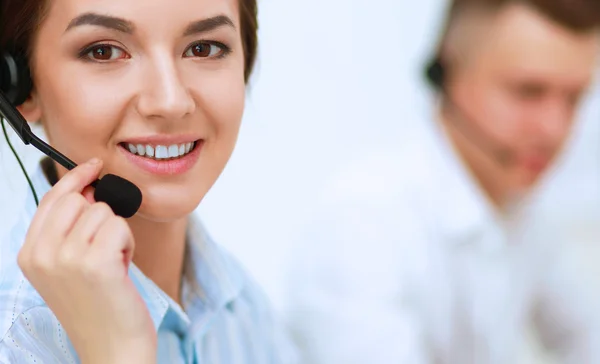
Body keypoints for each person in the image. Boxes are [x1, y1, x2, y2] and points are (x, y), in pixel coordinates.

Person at [286, 0, 600, 363]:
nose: (555, 129)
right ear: (445, 73)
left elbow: (587, 333)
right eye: (528, 92)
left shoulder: (521, 209)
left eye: (574, 98)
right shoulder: (362, 225)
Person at [0, 0, 297, 363]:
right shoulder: (14, 340)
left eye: (203, 48)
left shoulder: (242, 308)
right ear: (18, 87)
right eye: (104, 52)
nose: (171, 102)